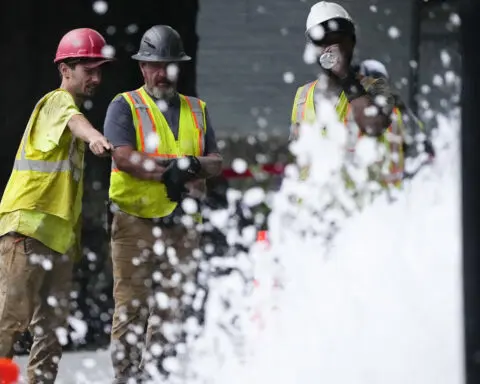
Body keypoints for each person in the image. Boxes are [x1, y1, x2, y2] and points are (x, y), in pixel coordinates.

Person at [104, 25, 222, 382]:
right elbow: (122, 156)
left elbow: (215, 160)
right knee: (131, 308)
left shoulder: (197, 109)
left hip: (182, 224)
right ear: (142, 67)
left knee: (171, 309)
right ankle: (126, 376)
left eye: (169, 64)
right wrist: (166, 173)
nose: (161, 72)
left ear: (178, 68)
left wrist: (193, 165)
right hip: (134, 222)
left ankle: (157, 375)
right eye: (154, 64)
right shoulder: (124, 105)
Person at [0, 28, 113, 383]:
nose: (95, 77)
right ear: (65, 69)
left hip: (58, 240)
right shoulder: (56, 102)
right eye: (87, 69)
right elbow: (74, 121)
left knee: (51, 332)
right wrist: (95, 136)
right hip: (27, 231)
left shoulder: (68, 113)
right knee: (10, 318)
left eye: (98, 70)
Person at [291, 1, 404, 187]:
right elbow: (301, 158)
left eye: (338, 39)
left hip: (370, 208)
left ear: (351, 43)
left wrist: (345, 76)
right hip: (319, 208)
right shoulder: (303, 95)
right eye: (323, 41)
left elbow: (373, 126)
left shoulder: (377, 87)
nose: (331, 48)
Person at [357, 59, 436, 162]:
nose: (375, 89)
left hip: (389, 172)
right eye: (370, 83)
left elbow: (414, 128)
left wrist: (423, 143)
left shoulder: (395, 108)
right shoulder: (350, 106)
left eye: (380, 83)